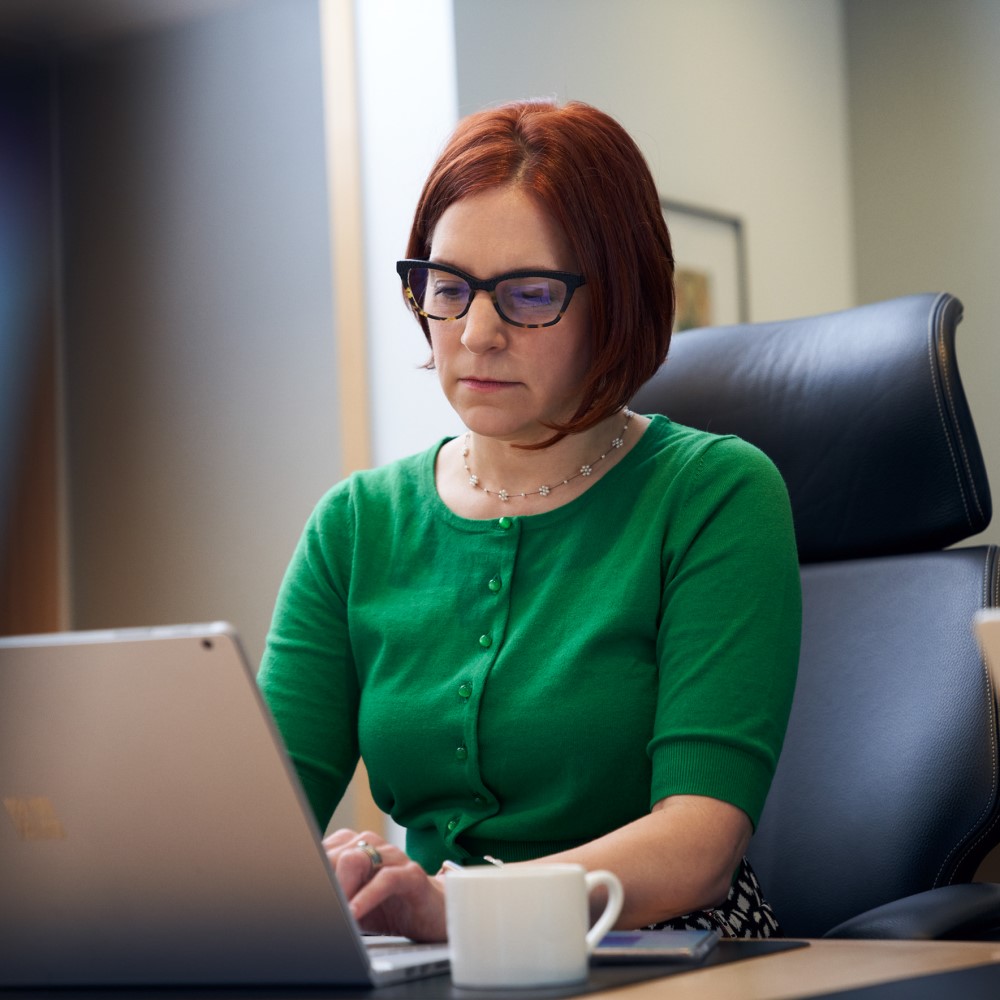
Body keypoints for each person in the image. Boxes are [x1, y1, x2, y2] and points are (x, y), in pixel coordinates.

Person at [257, 99, 801, 943]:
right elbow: (255, 826)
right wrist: (344, 875)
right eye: (448, 288)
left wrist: (456, 907)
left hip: (663, 947)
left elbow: (700, 845)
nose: (476, 333)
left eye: (531, 294)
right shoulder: (355, 526)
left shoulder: (716, 494)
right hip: (442, 957)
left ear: (617, 302)